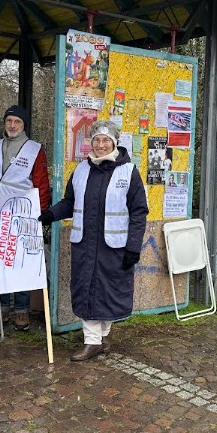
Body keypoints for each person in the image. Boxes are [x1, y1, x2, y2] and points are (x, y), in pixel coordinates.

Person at [38, 120, 148, 361]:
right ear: (91, 143)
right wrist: (50, 214)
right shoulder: (81, 170)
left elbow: (139, 212)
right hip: (86, 244)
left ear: (114, 143)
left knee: (108, 291)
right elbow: (69, 202)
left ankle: (103, 336)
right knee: (86, 289)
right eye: (96, 140)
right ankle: (92, 341)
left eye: (105, 140)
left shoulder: (128, 172)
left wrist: (133, 247)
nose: (100, 144)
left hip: (114, 247)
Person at [0, 104, 51, 331]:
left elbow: (41, 183)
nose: (12, 125)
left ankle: (21, 309)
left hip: (23, 212)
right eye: (9, 121)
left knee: (21, 261)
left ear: (24, 125)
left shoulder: (34, 149)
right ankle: (0, 307)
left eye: (17, 122)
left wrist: (40, 215)